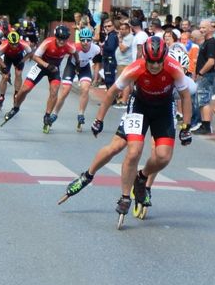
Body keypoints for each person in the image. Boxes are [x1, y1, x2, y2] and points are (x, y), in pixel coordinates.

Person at [59, 37, 194, 218]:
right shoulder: (135, 68)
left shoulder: (174, 68)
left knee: (162, 156)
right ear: (144, 57)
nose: (155, 65)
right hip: (139, 107)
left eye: (159, 61)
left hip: (163, 109)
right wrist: (99, 120)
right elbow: (112, 92)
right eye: (151, 62)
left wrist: (186, 127)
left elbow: (186, 97)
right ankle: (97, 180)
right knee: (127, 149)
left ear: (165, 58)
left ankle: (142, 178)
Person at [2, 24, 77, 127]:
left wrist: (78, 65)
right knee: (24, 90)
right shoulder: (48, 42)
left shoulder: (69, 46)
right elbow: (35, 57)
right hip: (41, 66)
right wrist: (46, 65)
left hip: (54, 69)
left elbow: (75, 54)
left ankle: (47, 115)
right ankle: (15, 108)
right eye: (59, 39)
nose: (61, 41)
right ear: (56, 37)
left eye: (64, 39)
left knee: (54, 91)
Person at [46, 26, 101, 133]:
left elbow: (97, 63)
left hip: (84, 68)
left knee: (85, 89)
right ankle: (55, 114)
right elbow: (60, 53)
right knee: (65, 90)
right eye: (83, 40)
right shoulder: (74, 47)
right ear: (79, 39)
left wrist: (95, 75)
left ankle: (81, 114)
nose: (85, 42)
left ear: (91, 40)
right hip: (71, 67)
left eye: (88, 40)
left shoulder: (96, 49)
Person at [190, 19, 215, 134]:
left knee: (204, 100)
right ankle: (203, 124)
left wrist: (201, 73)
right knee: (201, 100)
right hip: (203, 75)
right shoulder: (206, 42)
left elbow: (211, 61)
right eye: (200, 27)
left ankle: (206, 126)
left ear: (210, 29)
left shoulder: (211, 43)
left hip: (206, 75)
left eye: (204, 28)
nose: (201, 30)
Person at [0, 30, 31, 110]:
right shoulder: (4, 45)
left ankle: (16, 93)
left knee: (18, 74)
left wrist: (23, 61)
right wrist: (3, 66)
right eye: (12, 44)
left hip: (19, 58)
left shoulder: (23, 44)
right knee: (5, 77)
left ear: (19, 41)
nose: (14, 46)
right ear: (8, 42)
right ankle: (1, 96)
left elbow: (30, 53)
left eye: (16, 44)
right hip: (8, 57)